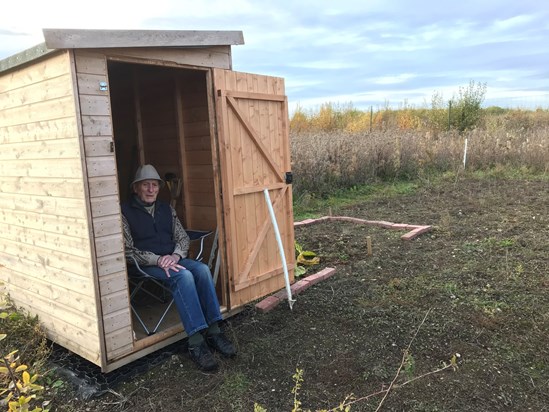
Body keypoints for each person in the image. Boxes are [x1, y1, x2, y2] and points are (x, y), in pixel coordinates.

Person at [121, 164, 235, 371]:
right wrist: (157, 260)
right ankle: (196, 342)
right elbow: (127, 250)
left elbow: (182, 237)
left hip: (172, 258)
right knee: (184, 277)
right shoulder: (124, 212)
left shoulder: (166, 209)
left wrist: (175, 255)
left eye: (154, 185)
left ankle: (215, 331)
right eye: (145, 185)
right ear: (136, 188)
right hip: (145, 264)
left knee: (201, 270)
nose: (151, 189)